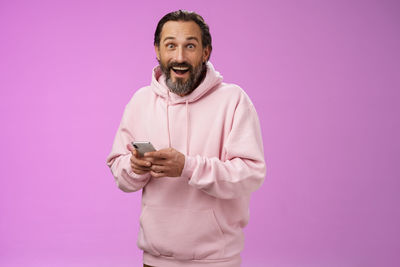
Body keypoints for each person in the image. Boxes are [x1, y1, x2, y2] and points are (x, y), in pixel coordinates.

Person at [107, 10, 266, 267]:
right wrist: (135, 167)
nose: (179, 57)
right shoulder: (140, 102)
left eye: (190, 46)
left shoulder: (234, 100)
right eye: (171, 46)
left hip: (217, 261)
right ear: (157, 50)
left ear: (206, 52)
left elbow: (250, 174)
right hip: (155, 260)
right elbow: (120, 174)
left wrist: (187, 167)